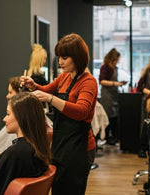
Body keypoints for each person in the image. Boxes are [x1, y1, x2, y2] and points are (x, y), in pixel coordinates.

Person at [21, 33, 98, 195]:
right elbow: (46, 89)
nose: (60, 62)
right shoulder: (64, 77)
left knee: (71, 190)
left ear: (77, 57)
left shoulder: (88, 81)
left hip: (79, 148)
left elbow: (82, 111)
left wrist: (50, 98)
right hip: (61, 145)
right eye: (59, 57)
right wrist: (33, 85)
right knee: (59, 189)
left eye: (64, 57)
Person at [99, 48, 127, 145]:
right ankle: (107, 137)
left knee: (114, 116)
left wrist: (119, 84)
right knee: (107, 115)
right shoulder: (105, 68)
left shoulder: (115, 68)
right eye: (117, 59)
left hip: (114, 94)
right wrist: (115, 83)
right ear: (113, 59)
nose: (118, 61)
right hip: (107, 95)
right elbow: (102, 81)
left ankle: (115, 137)